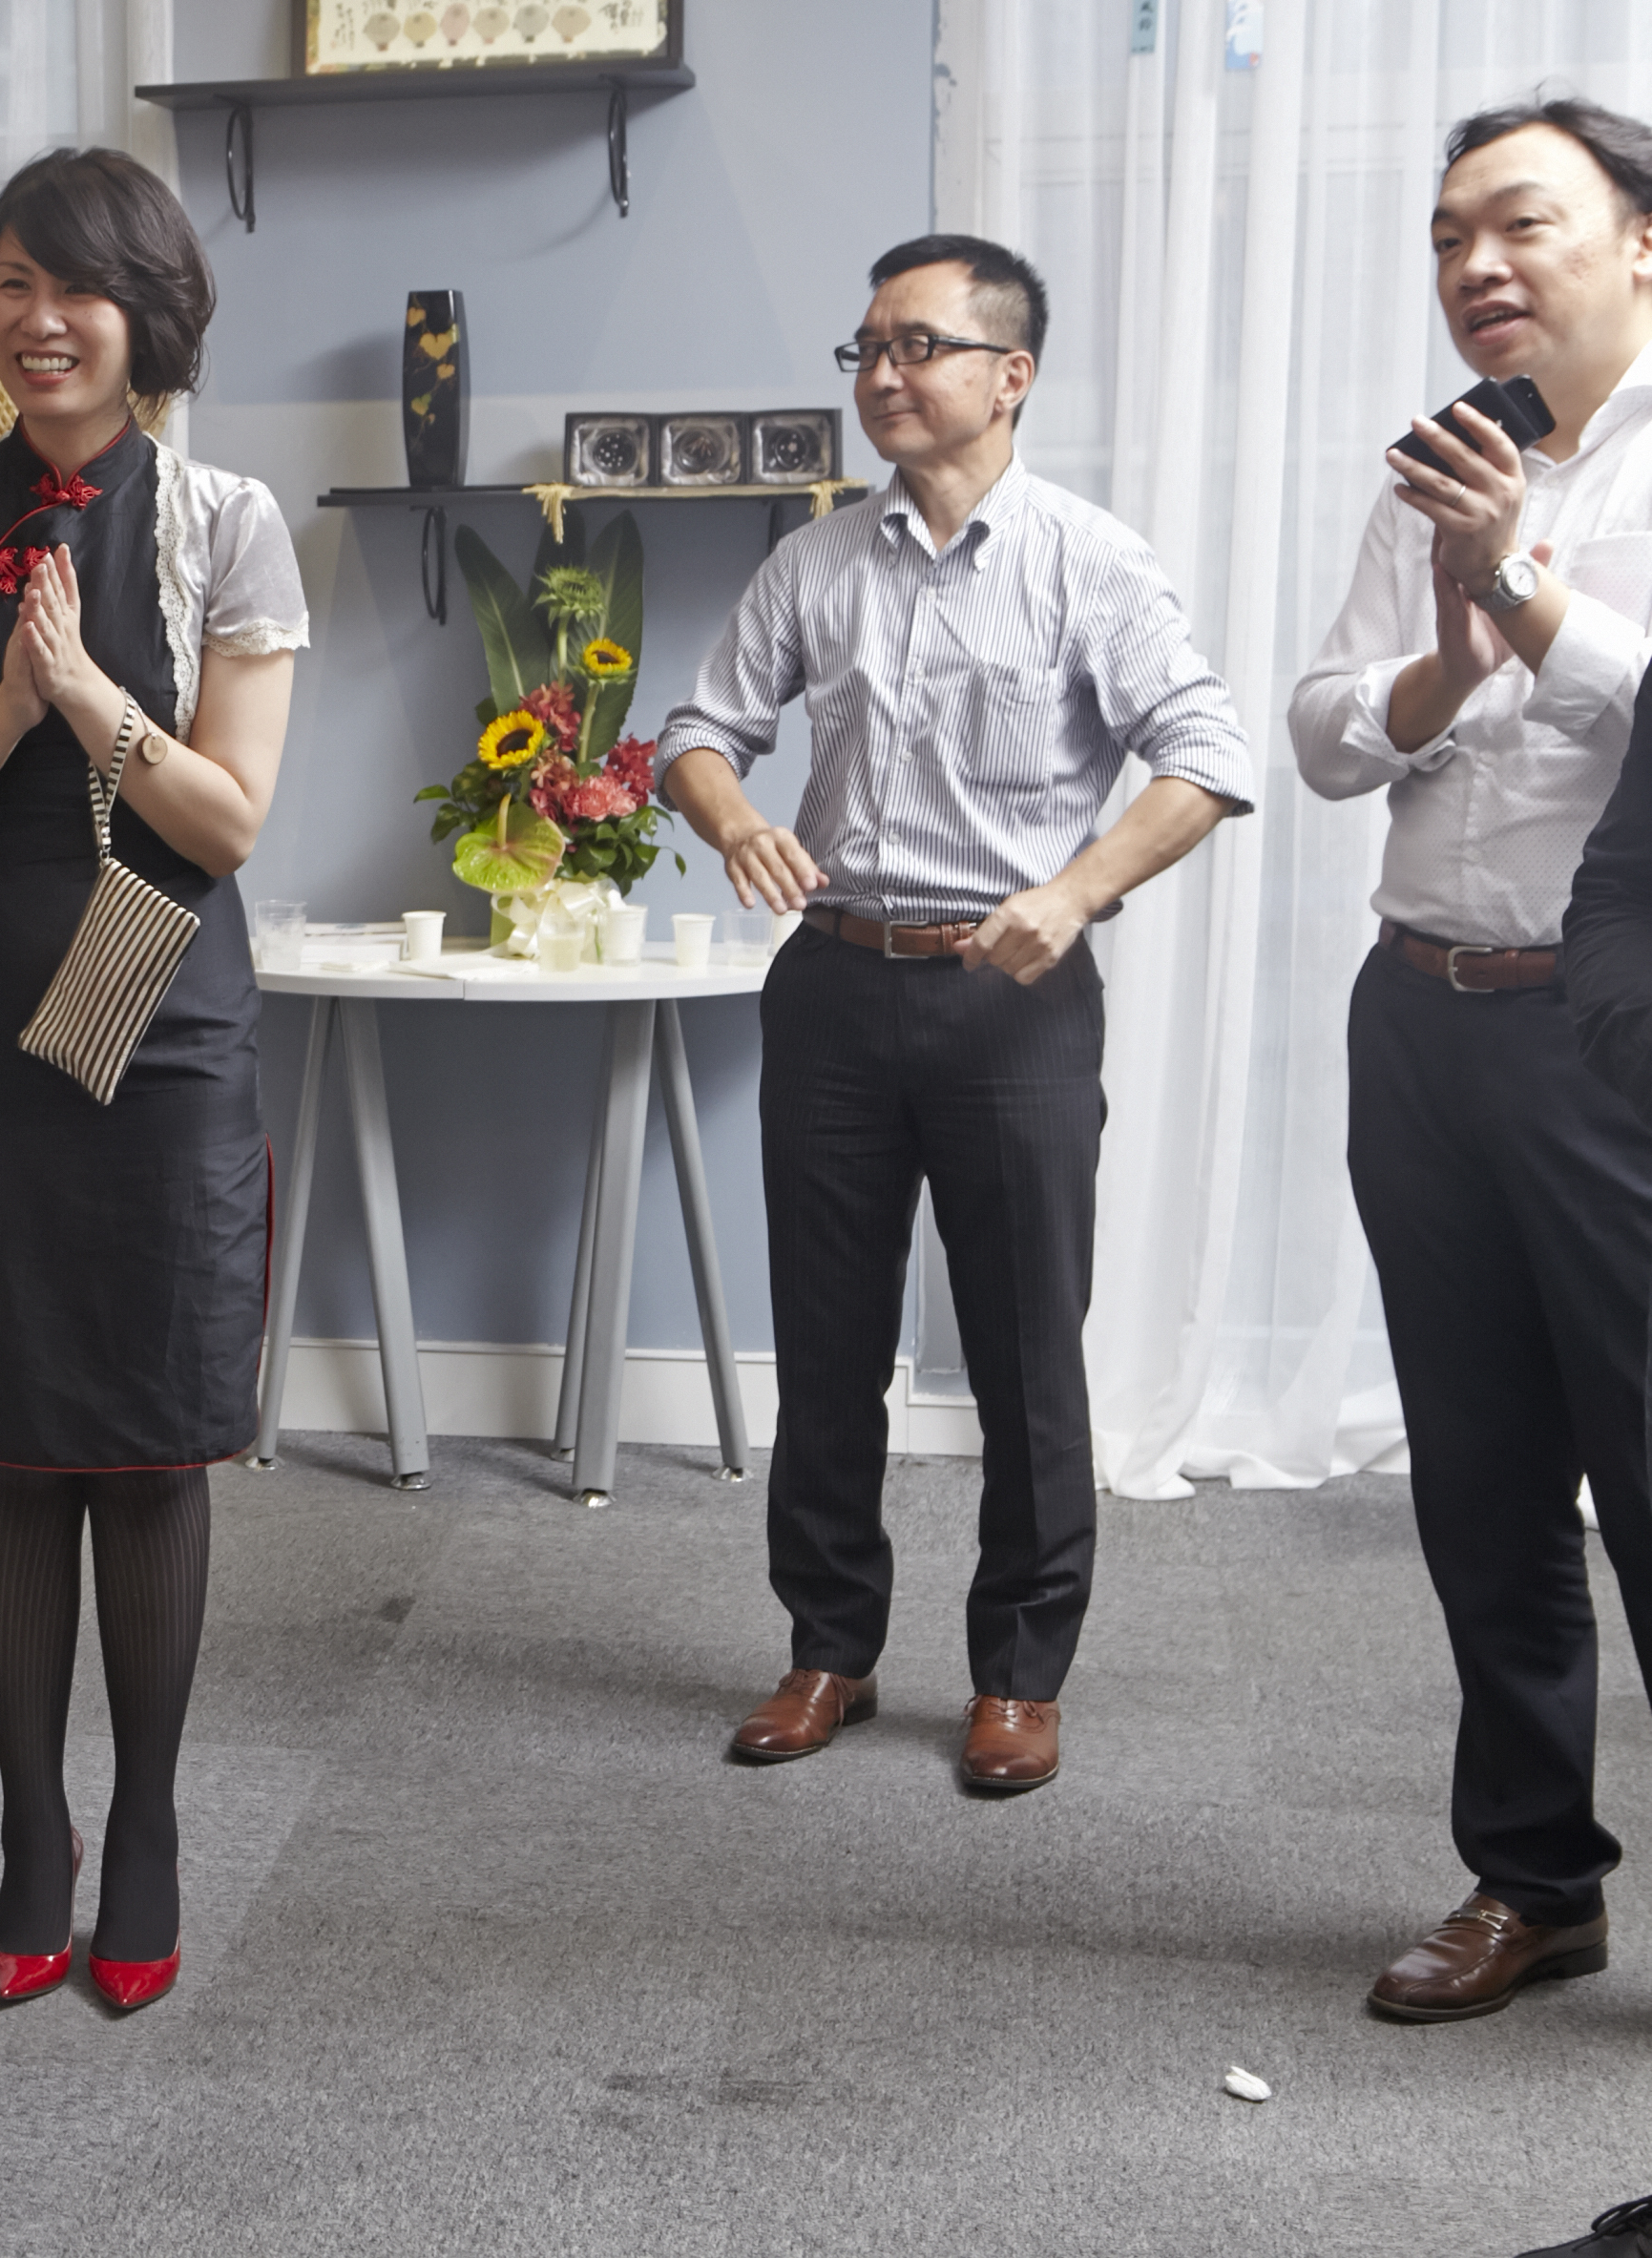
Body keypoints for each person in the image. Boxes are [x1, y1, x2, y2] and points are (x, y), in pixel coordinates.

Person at [659, 234, 1252, 1795]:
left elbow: (1205, 755)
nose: (881, 374)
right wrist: (732, 816)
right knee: (827, 1341)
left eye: (916, 345)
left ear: (1009, 374)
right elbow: (696, 730)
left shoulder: (1089, 561)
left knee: (1022, 1352)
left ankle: (1016, 1673)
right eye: (865, 348)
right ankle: (827, 1647)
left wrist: (1076, 890)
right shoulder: (813, 563)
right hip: (832, 987)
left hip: (1012, 1000)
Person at [0, 148, 305, 2014]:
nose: (35, 320)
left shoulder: (231, 523)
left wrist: (97, 701)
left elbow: (229, 821)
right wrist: (11, 709)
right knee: (17, 1438)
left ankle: (151, 1826)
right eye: (7, 282)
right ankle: (33, 1832)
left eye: (73, 286)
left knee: (153, 1437)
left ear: (145, 311)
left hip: (163, 1025)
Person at [1319, 99, 1652, 2022]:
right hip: (1418, 1016)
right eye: (1446, 234)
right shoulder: (1441, 465)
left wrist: (1515, 586)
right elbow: (1321, 733)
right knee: (1481, 1475)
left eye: (1516, 223)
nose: (1472, 265)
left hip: (1609, 1042)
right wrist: (1446, 649)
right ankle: (1531, 1879)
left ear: (1639, 240)